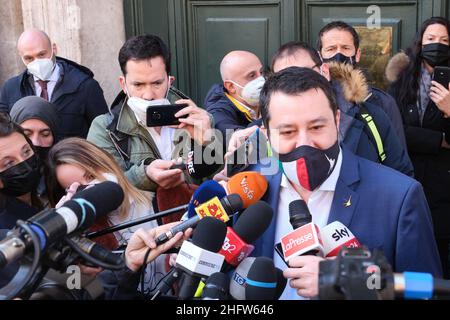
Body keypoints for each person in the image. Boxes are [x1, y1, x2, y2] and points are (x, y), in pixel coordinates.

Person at [245, 67, 441, 300]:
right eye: (287, 132)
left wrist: (343, 284)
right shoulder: (250, 189)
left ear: (337, 121)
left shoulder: (399, 197)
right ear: (267, 135)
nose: (305, 144)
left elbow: (426, 293)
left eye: (317, 127)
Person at [87, 34, 219, 192]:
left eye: (157, 83)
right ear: (124, 84)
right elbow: (103, 188)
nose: (148, 95)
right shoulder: (105, 129)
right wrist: (145, 175)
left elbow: (216, 180)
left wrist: (206, 144)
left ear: (169, 81)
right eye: (138, 84)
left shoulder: (200, 120)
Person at [46, 137, 173, 295]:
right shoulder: (83, 243)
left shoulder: (168, 199)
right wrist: (62, 231)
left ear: (107, 163)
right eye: (75, 189)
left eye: (91, 176)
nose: (91, 188)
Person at [271, 41, 414, 177]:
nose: (295, 87)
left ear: (324, 72)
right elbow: (255, 185)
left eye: (304, 74)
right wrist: (248, 153)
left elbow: (401, 176)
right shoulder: (263, 131)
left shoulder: (372, 118)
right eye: (283, 79)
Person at [386, 17, 450, 278]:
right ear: (420, 43)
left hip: (445, 184)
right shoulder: (401, 80)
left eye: (445, 40)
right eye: (431, 39)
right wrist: (440, 140)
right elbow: (396, 131)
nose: (437, 45)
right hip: (407, 177)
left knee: (442, 251)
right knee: (409, 247)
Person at [0, 28, 108, 139]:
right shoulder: (11, 89)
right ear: (21, 57)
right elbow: (3, 132)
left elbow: (103, 133)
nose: (37, 62)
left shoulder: (85, 86)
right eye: (29, 58)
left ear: (54, 49)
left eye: (41, 54)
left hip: (70, 154)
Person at [316, 21, 407, 147]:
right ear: (320, 56)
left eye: (345, 48)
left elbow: (398, 160)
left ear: (357, 55)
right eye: (331, 49)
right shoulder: (311, 100)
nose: (338, 54)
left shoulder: (383, 103)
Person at [204, 51, 264, 145]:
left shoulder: (273, 95)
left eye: (261, 72)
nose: (261, 79)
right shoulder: (218, 112)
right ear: (231, 86)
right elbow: (232, 135)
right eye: (252, 76)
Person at [10, 96, 60, 205]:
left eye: (45, 134)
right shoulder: (6, 175)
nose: (36, 142)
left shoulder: (64, 171)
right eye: (27, 134)